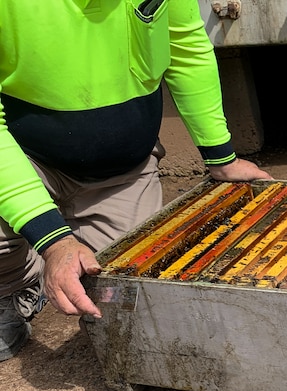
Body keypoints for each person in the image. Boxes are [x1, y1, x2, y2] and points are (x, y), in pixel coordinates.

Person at [0, 0, 272, 361]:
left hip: (120, 176)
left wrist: (221, 158)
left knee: (127, 295)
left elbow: (185, 44)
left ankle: (53, 252)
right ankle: (14, 287)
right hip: (26, 157)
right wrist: (52, 240)